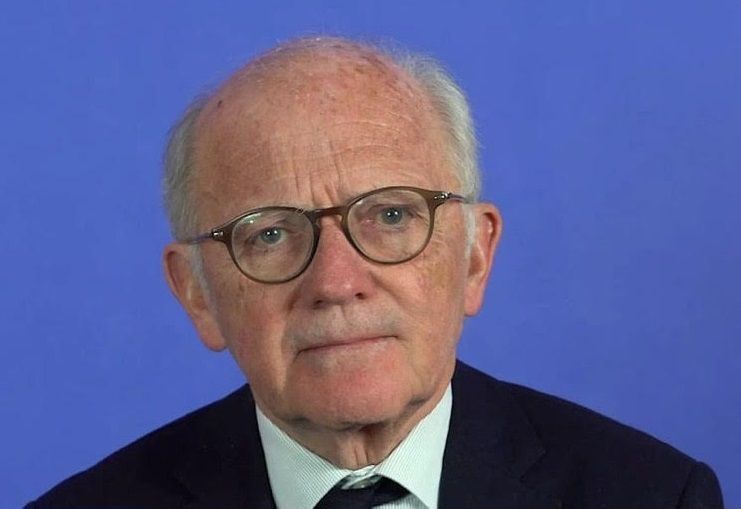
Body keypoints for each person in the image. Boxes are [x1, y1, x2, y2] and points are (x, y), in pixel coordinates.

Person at [27, 36, 723, 509]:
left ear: (474, 256)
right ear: (196, 293)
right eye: (270, 233)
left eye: (390, 215)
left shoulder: (652, 495)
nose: (336, 282)